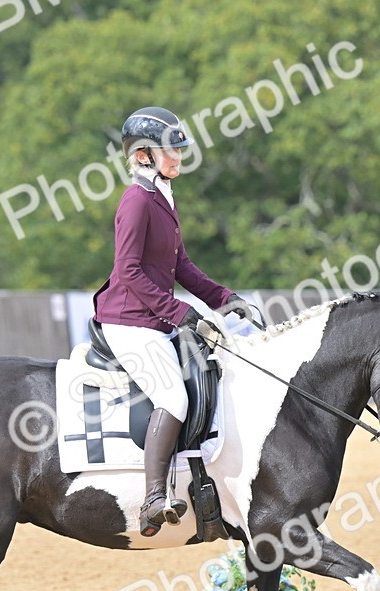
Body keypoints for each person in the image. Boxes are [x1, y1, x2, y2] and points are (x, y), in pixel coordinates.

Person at [92, 106, 257, 537]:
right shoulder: (135, 202)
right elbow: (128, 271)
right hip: (128, 321)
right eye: (171, 150)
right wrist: (180, 313)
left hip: (153, 320)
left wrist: (225, 299)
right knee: (174, 397)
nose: (179, 156)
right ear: (144, 156)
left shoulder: (163, 197)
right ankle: (153, 499)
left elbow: (181, 265)